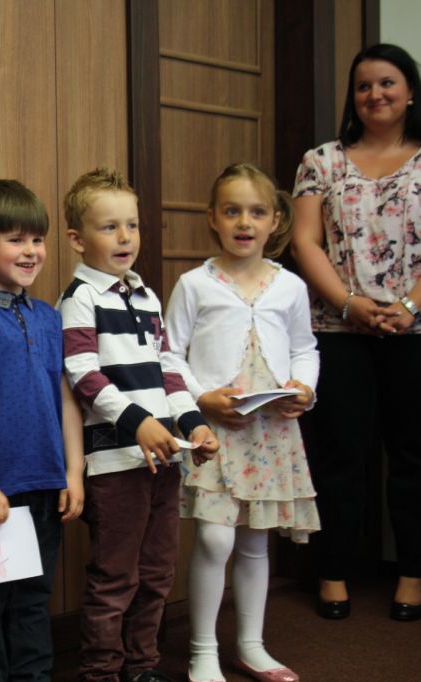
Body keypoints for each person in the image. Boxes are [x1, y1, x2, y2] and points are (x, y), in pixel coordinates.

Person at [60, 167, 219, 682]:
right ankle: (102, 671)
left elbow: (169, 369)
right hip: (115, 462)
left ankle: (142, 666)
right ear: (77, 239)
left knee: (156, 574)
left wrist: (193, 424)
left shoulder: (146, 296)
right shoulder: (80, 298)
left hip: (164, 459)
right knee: (115, 578)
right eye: (109, 227)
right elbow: (83, 374)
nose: (124, 237)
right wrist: (139, 423)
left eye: (131, 225)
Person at [165, 163, 320, 682]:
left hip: (271, 430)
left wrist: (305, 387)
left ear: (275, 220)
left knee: (255, 540)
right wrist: (201, 398)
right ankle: (203, 650)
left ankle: (251, 645)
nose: (244, 222)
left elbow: (305, 348)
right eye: (232, 211)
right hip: (216, 431)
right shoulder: (194, 284)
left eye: (256, 212)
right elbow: (169, 355)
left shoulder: (290, 286)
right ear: (213, 218)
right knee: (215, 539)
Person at [291, 42, 421, 623]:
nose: (375, 94)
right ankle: (334, 572)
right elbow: (305, 242)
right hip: (337, 328)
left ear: (410, 91)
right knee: (341, 454)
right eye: (364, 85)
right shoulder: (321, 161)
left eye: (387, 83)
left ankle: (413, 574)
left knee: (413, 456)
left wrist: (410, 306)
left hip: (416, 331)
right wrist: (348, 304)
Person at [0, 179, 85, 681]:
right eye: (15, 239)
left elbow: (65, 398)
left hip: (45, 485)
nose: (30, 251)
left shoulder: (47, 318)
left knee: (32, 603)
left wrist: (74, 471)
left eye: (37, 239)